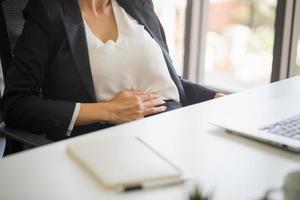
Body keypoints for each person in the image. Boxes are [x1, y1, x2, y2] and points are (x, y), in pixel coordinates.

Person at [1, 0, 223, 141]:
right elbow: (15, 105)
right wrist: (109, 110)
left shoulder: (138, 5)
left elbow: (165, 81)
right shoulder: (48, 11)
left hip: (177, 131)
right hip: (110, 143)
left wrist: (214, 97)